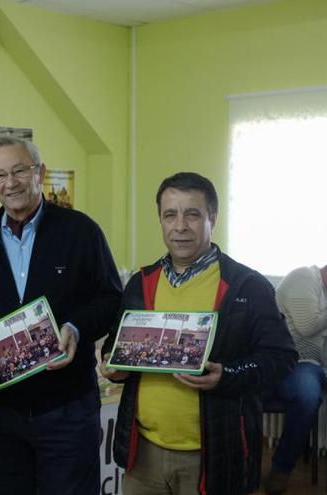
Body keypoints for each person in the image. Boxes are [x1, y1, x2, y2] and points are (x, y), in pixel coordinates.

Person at [100, 172, 297, 495]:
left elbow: (282, 357)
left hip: (213, 455)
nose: (180, 226)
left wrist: (227, 375)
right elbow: (114, 346)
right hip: (143, 452)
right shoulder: (141, 283)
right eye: (170, 215)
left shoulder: (246, 286)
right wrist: (113, 366)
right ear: (161, 220)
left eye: (192, 214)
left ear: (212, 218)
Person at [0, 136, 122, 494]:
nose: (9, 183)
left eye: (18, 171)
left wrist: (76, 328)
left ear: (39, 172)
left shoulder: (81, 231)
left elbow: (110, 299)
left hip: (66, 410)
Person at [264, 252, 327, 494]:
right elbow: (308, 327)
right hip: (275, 360)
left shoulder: (323, 291)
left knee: (308, 398)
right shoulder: (305, 277)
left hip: (303, 364)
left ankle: (281, 468)